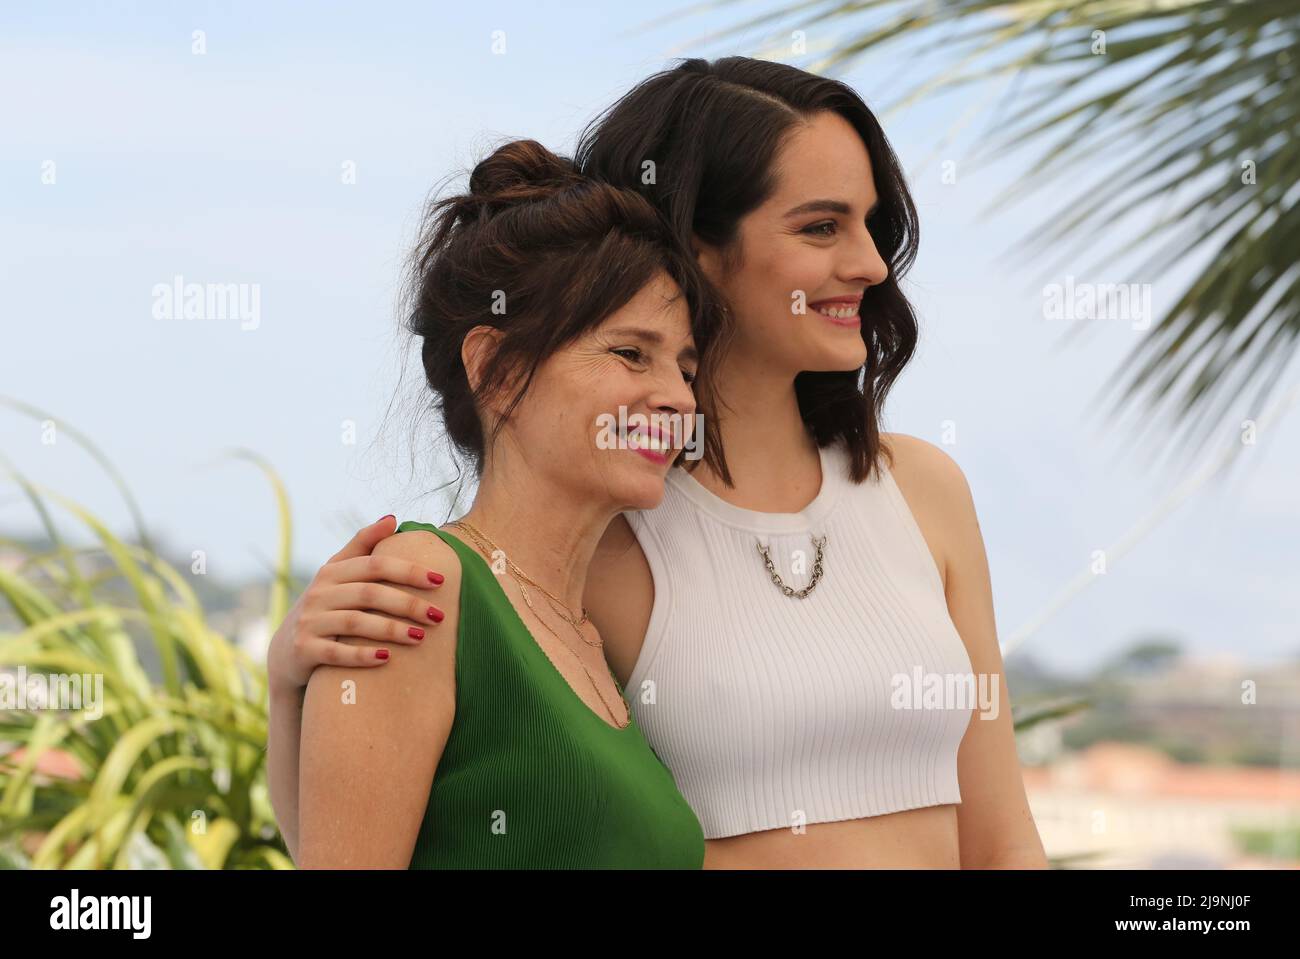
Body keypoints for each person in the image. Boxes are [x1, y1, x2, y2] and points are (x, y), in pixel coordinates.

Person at [271, 57, 1048, 869]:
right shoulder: (605, 531)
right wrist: (291, 678)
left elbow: (1005, 843)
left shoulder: (923, 492)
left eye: (869, 224)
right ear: (700, 249)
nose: (871, 264)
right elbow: (389, 820)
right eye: (821, 226)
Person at [279, 138, 729, 868]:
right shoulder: (424, 586)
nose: (679, 397)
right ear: (496, 369)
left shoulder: (586, 639)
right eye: (630, 353)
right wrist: (284, 686)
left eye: (684, 366)